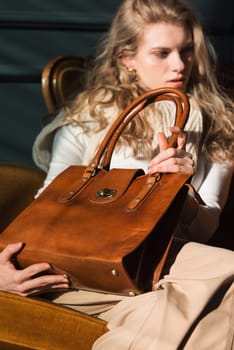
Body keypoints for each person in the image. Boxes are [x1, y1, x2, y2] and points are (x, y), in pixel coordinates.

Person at [0, 0, 233, 348]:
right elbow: (47, 205)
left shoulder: (219, 127)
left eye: (186, 51)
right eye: (161, 53)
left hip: (165, 269)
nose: (179, 65)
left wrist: (179, 190)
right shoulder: (88, 120)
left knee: (208, 312)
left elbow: (206, 226)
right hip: (85, 266)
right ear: (127, 60)